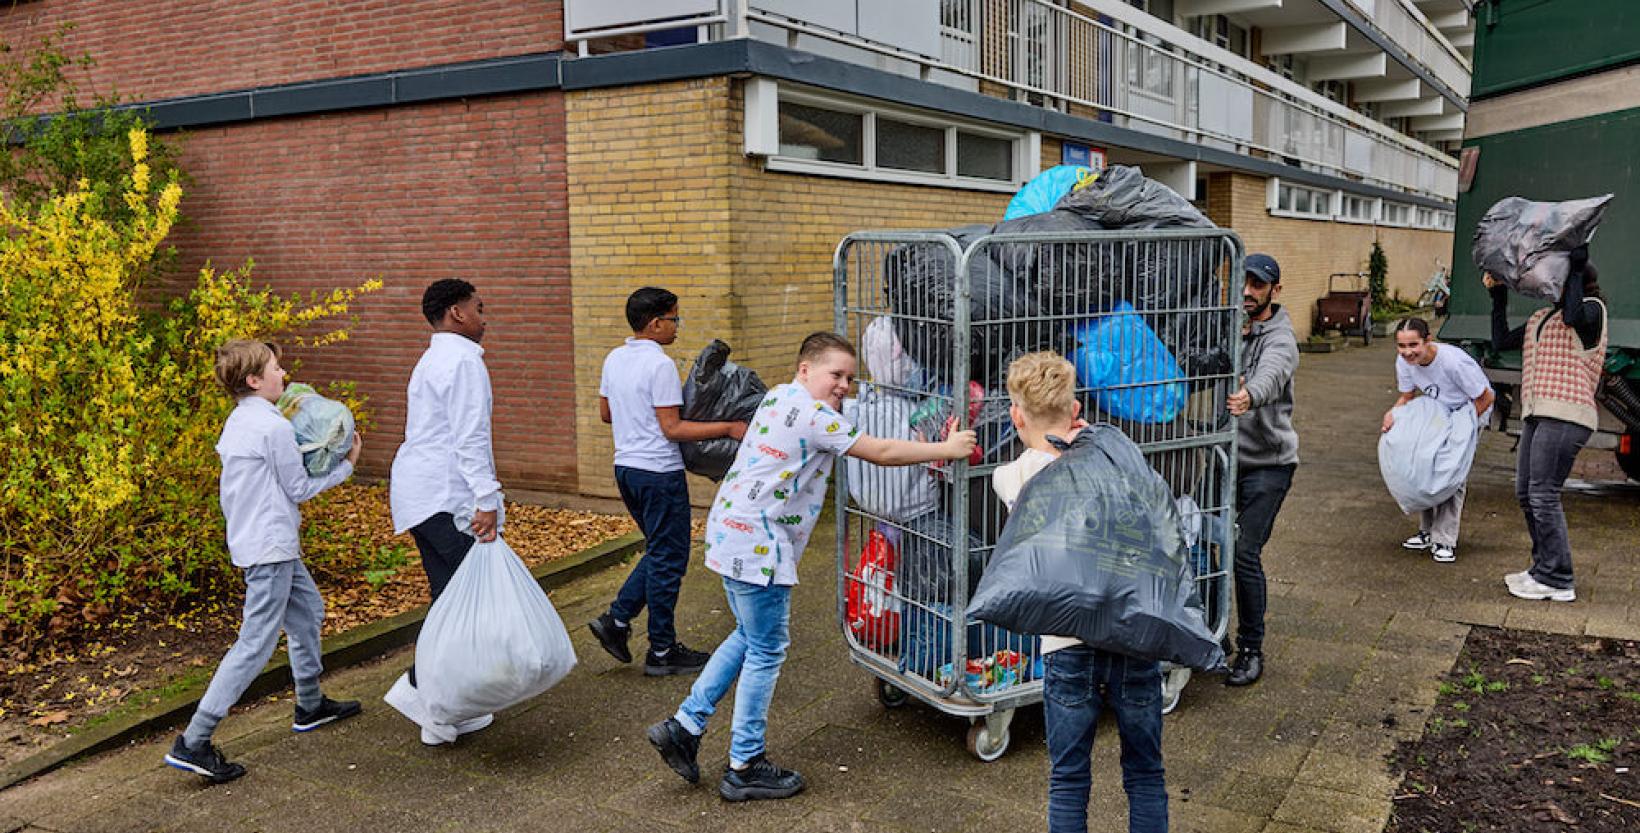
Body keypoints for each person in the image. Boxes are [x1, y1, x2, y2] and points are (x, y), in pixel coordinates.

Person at [646, 332, 975, 802]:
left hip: (730, 535)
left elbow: (857, 423)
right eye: (835, 374)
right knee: (767, 650)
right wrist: (947, 449)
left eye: (849, 378)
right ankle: (745, 764)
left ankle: (684, 726)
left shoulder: (781, 397)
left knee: (747, 635)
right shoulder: (815, 417)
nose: (843, 384)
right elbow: (880, 453)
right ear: (806, 369)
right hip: (760, 547)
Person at [165, 340, 363, 784]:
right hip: (270, 547)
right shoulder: (272, 428)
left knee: (308, 612)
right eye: (275, 368)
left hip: (260, 542)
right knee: (254, 643)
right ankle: (194, 740)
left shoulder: (239, 420)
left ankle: (310, 705)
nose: (283, 374)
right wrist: (346, 465)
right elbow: (299, 489)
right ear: (254, 380)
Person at [991, 352, 1166, 833]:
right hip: (1132, 631)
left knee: (1068, 777)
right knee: (1146, 772)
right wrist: (1093, 440)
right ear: (1076, 410)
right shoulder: (1112, 459)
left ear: (1016, 415)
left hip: (1066, 642)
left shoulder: (1011, 477)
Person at [588, 287, 747, 676]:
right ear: (655, 323)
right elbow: (673, 428)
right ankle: (661, 650)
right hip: (659, 473)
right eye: (675, 319)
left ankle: (617, 621)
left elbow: (607, 413)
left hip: (626, 469)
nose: (678, 326)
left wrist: (638, 417)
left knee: (660, 551)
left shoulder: (614, 358)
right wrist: (728, 427)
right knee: (669, 558)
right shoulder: (659, 365)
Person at [384, 278, 504, 745]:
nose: (484, 317)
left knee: (449, 598)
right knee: (471, 601)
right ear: (457, 312)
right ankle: (419, 689)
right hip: (443, 496)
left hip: (420, 494)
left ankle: (443, 714)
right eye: (479, 307)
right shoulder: (463, 361)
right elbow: (469, 436)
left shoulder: (433, 358)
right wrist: (486, 499)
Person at [1487, 246, 1607, 602]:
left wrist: (1576, 266)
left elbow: (1573, 315)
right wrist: (1498, 296)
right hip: (1538, 414)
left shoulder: (1592, 311)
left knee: (1543, 493)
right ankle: (1543, 568)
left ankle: (1559, 578)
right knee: (1526, 493)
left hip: (1568, 414)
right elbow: (1500, 342)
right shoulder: (1542, 317)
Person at [1224, 253, 1299, 688]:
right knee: (1200, 540)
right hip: (1225, 458)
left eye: (1257, 285)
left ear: (1275, 290)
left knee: (1243, 552)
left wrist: (1249, 395)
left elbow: (1273, 372)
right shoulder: (1228, 323)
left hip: (1269, 464)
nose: (1248, 292)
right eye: (1243, 282)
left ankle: (1251, 649)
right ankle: (1211, 633)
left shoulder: (1281, 337)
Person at [1381, 318, 1496, 563]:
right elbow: (1407, 396)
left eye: (1413, 345)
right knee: (1422, 464)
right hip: (1438, 411)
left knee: (1451, 473)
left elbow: (1486, 397)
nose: (1407, 352)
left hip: (1469, 410)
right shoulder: (1405, 362)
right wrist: (1393, 414)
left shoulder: (1453, 362)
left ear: (1427, 340)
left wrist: (1460, 430)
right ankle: (1426, 531)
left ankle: (1444, 539)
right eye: (1402, 346)